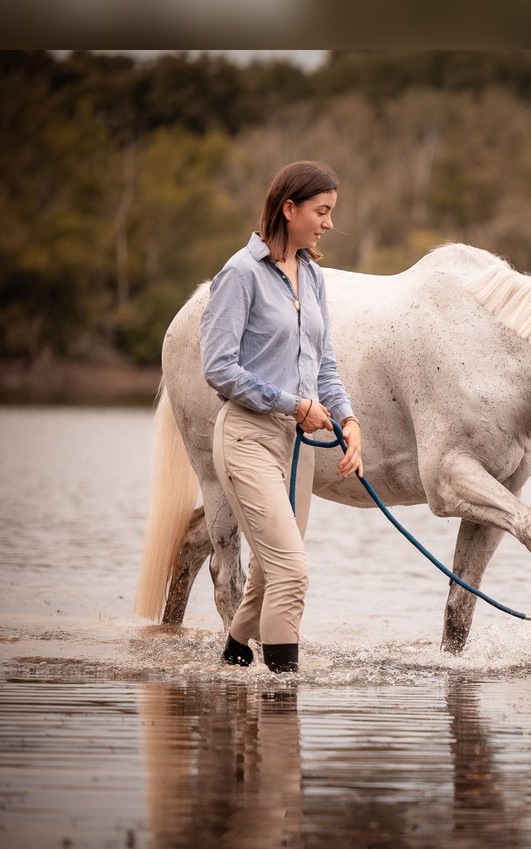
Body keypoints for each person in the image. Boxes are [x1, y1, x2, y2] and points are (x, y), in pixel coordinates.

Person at [200, 160, 363, 673]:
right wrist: (293, 405)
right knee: (291, 570)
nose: (329, 223)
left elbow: (325, 364)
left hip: (296, 448)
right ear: (287, 208)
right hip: (247, 438)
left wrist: (348, 421)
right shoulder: (239, 275)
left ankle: (231, 661)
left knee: (271, 574)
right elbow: (218, 368)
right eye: (322, 211)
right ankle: (282, 696)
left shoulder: (311, 274)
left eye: (331, 212)